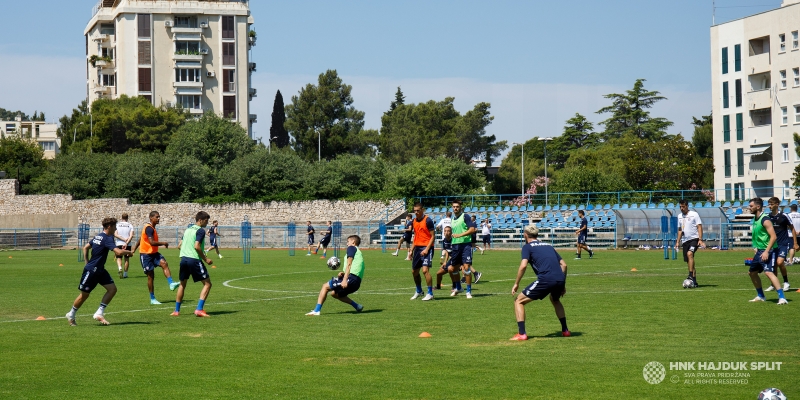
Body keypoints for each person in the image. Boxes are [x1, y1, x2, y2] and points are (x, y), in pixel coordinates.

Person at [66, 217, 133, 326]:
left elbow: (86, 247)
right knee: (84, 295)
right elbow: (118, 252)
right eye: (115, 227)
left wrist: (86, 262)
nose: (116, 229)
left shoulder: (99, 236)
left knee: (112, 289)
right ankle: (71, 314)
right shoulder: (107, 238)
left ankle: (99, 313)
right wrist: (128, 252)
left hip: (100, 270)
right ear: (109, 227)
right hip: (92, 271)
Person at [510, 225, 570, 340]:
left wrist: (516, 283)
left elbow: (523, 266)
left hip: (546, 279)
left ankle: (522, 334)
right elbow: (564, 264)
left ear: (525, 235)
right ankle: (565, 330)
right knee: (555, 300)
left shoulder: (527, 247)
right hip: (560, 278)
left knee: (519, 301)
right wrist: (563, 284)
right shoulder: (548, 245)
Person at [306, 235, 365, 315]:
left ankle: (316, 310)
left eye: (348, 241)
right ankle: (357, 306)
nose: (347, 244)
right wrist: (343, 274)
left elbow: (349, 264)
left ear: (353, 242)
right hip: (356, 282)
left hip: (350, 279)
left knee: (325, 286)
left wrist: (344, 280)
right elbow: (357, 268)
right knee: (334, 294)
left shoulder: (351, 248)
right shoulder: (359, 253)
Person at [131, 211, 180, 305]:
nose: (158, 219)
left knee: (164, 263)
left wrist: (133, 249)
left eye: (159, 217)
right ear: (151, 218)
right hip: (146, 255)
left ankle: (171, 283)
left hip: (154, 253)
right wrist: (164, 243)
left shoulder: (151, 228)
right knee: (150, 276)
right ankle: (152, 299)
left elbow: (141, 239)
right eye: (157, 217)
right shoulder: (149, 228)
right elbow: (152, 242)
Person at [172, 211, 215, 317]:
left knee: (182, 284)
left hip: (184, 259)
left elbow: (179, 246)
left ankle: (176, 311)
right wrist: (206, 259)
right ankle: (199, 309)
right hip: (194, 260)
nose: (207, 222)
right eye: (206, 220)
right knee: (208, 284)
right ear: (200, 220)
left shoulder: (188, 230)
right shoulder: (200, 231)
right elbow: (197, 246)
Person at [746, 197, 788, 305]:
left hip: (768, 251)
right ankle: (761, 296)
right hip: (760, 251)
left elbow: (773, 237)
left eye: (751, 206)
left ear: (758, 206)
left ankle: (782, 298)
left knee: (769, 272)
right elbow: (756, 236)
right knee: (752, 273)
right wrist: (755, 247)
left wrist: (766, 251)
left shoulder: (765, 219)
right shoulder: (755, 219)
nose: (749, 208)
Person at [765, 197, 794, 292]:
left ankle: (786, 282)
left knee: (780, 262)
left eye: (772, 204)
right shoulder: (768, 217)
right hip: (773, 245)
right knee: (774, 265)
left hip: (783, 244)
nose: (770, 206)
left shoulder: (784, 215)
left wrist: (795, 243)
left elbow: (792, 228)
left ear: (777, 204)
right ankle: (773, 284)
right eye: (769, 204)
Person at [450, 200, 477, 299]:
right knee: (453, 269)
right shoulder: (452, 219)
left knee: (466, 268)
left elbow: (472, 229)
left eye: (457, 206)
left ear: (460, 207)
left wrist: (460, 235)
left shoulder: (465, 216)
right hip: (455, 246)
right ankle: (458, 287)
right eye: (454, 206)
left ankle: (468, 291)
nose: (455, 208)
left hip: (465, 245)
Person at [409, 203, 436, 301]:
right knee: (414, 271)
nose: (416, 212)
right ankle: (419, 290)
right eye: (414, 210)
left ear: (422, 210)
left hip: (427, 248)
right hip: (417, 248)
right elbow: (416, 236)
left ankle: (430, 293)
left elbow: (433, 236)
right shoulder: (414, 221)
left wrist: (427, 249)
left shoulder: (428, 220)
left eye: (418, 210)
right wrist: (411, 250)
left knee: (425, 270)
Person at [675, 200, 704, 288]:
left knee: (690, 253)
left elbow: (699, 226)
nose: (681, 208)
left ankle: (690, 275)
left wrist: (700, 239)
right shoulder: (679, 216)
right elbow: (680, 230)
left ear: (687, 206)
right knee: (689, 260)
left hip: (694, 239)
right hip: (685, 241)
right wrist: (677, 242)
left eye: (683, 206)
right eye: (680, 207)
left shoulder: (694, 214)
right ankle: (694, 281)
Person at [435, 226, 462, 295]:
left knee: (450, 269)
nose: (447, 232)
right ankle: (438, 287)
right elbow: (447, 252)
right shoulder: (444, 241)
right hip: (451, 260)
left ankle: (455, 286)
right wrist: (445, 261)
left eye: (448, 231)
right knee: (438, 273)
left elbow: (460, 252)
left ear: (451, 232)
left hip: (456, 260)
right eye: (445, 231)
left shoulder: (454, 240)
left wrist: (460, 264)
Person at [114, 213, 135, 279]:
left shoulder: (117, 225)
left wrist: (122, 239)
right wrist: (126, 242)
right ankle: (125, 274)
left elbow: (115, 234)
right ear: (127, 218)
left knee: (119, 257)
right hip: (127, 244)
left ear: (121, 217)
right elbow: (131, 235)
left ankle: (120, 268)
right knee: (126, 259)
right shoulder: (130, 225)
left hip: (119, 243)